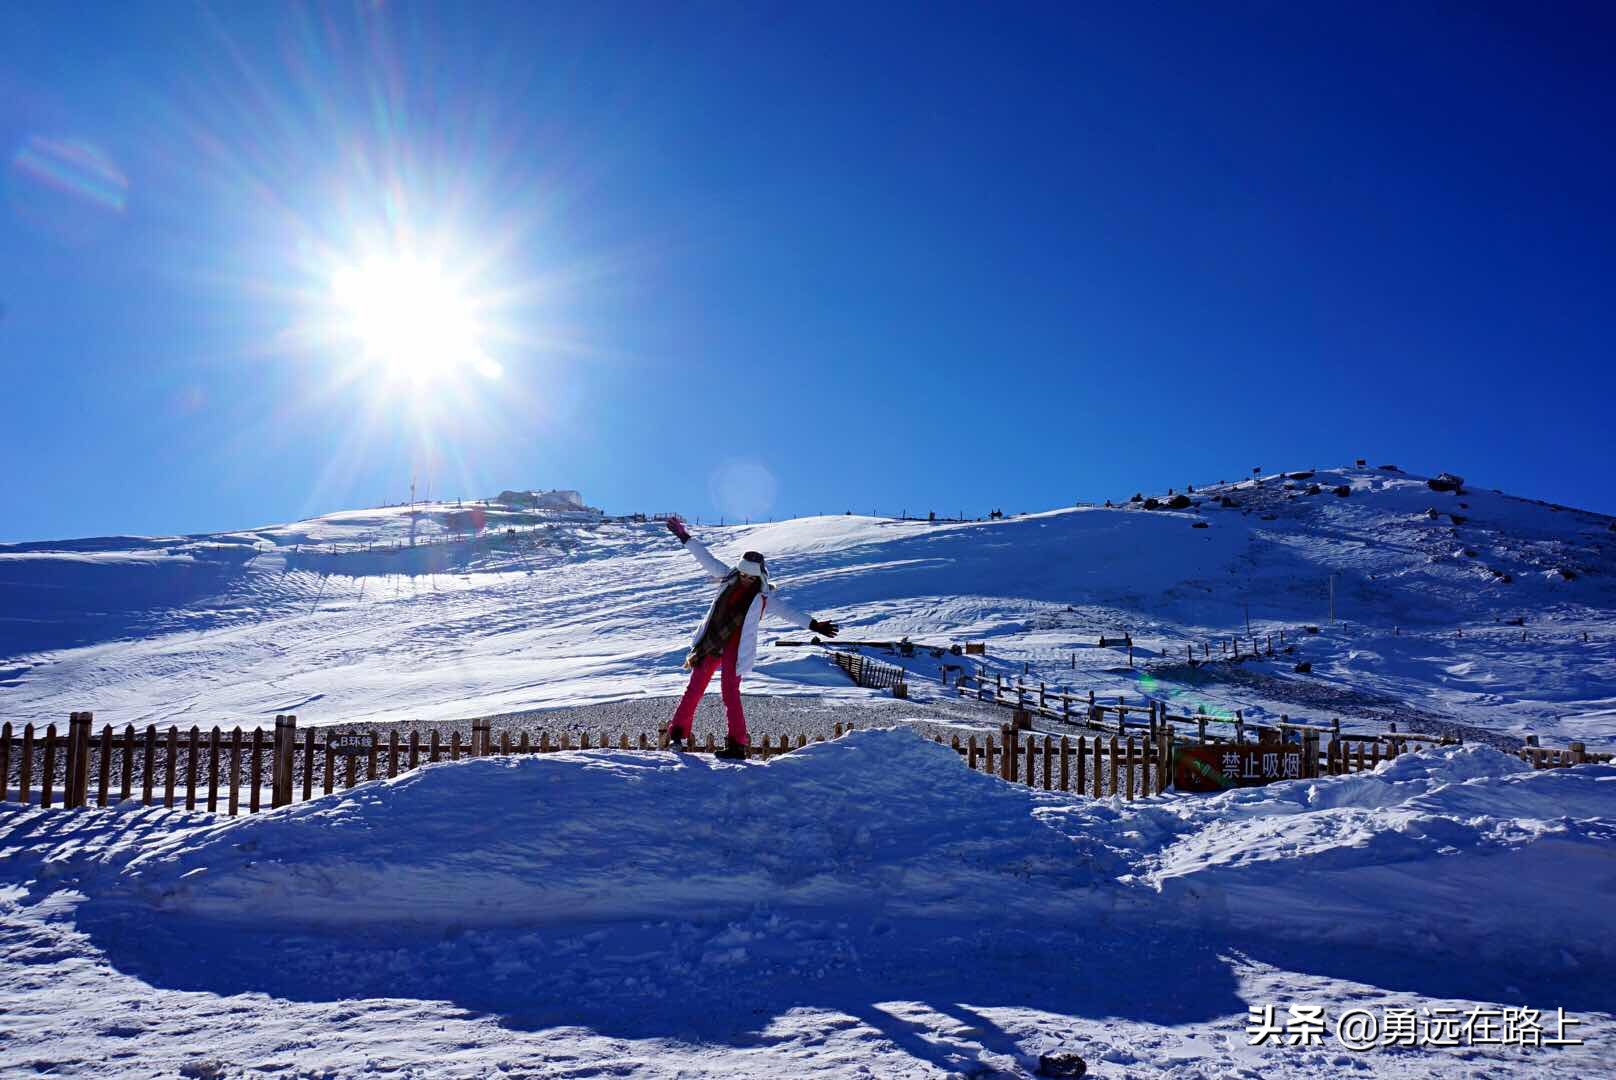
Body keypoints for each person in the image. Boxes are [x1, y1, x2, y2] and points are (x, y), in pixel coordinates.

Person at [662, 514, 840, 758]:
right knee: (694, 689)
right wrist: (685, 537)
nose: (745, 579)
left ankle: (737, 745)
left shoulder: (763, 597)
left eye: (751, 577)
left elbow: (788, 612)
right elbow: (705, 559)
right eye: (744, 574)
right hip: (712, 642)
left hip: (736, 649)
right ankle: (677, 736)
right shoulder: (727, 578)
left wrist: (813, 625)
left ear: (760, 577)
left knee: (730, 694)